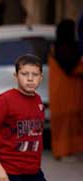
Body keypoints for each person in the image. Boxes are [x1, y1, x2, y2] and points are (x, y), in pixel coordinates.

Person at [48, 19, 83, 159]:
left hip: (59, 94)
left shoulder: (55, 47)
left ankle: (62, 151)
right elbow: (70, 67)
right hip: (68, 93)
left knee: (63, 124)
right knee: (69, 123)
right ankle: (66, 151)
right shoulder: (65, 48)